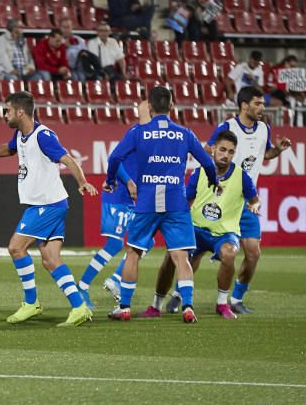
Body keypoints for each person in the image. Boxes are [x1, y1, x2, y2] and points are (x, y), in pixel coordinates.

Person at [0, 91, 97, 327]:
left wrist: (82, 182)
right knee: (50, 259)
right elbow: (8, 150)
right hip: (51, 204)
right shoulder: (20, 135)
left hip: (47, 205)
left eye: (7, 110)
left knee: (16, 248)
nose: (4, 115)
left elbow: (68, 159)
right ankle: (79, 307)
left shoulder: (43, 135)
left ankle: (31, 303)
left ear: (20, 112)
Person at [104, 85, 217, 323]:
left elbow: (114, 157)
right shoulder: (185, 133)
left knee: (133, 252)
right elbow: (207, 163)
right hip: (176, 202)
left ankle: (124, 307)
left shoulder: (138, 132)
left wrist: (111, 180)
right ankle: (187, 306)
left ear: (151, 107)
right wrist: (215, 181)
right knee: (181, 256)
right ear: (172, 107)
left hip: (146, 202)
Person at [150, 130, 261, 319]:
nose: (226, 155)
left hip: (225, 233)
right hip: (196, 229)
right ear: (213, 149)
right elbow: (186, 200)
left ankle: (221, 303)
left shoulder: (242, 177)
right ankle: (162, 302)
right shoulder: (199, 173)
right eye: (222, 150)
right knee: (172, 256)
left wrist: (254, 205)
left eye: (231, 152)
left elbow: (255, 199)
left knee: (229, 253)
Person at [205, 87, 293, 317]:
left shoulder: (264, 128)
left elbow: (265, 155)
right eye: (257, 104)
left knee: (253, 253)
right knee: (198, 248)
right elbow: (207, 152)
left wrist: (278, 150)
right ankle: (178, 293)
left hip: (248, 202)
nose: (262, 108)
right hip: (223, 200)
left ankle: (236, 299)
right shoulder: (227, 127)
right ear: (244, 106)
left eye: (263, 104)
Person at [77, 101, 148, 309]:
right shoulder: (136, 132)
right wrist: (128, 181)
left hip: (133, 197)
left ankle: (116, 278)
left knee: (146, 240)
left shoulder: (152, 136)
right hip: (119, 194)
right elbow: (113, 158)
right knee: (115, 244)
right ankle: (82, 287)